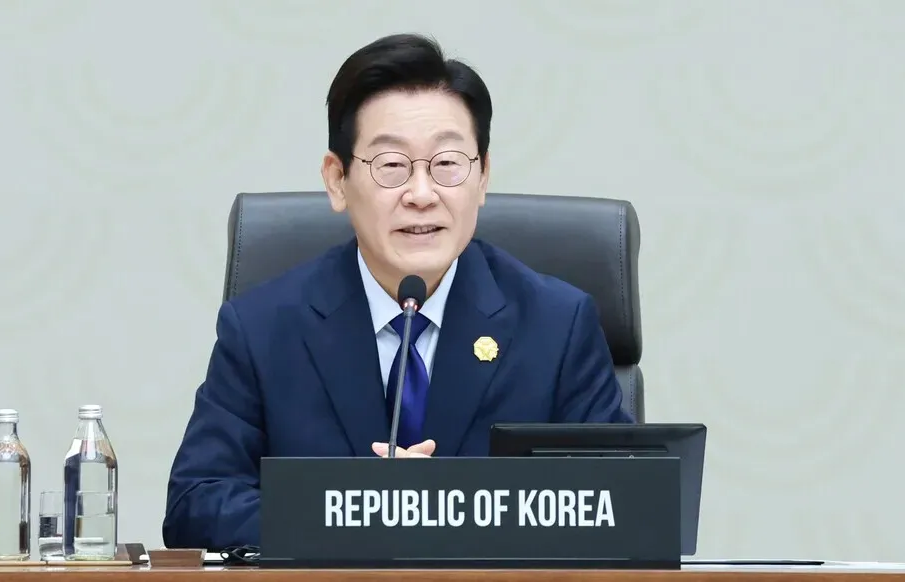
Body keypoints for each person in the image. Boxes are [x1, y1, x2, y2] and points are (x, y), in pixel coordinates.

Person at [162, 33, 633, 551]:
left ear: (482, 177)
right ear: (337, 181)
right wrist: (359, 511)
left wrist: (442, 511)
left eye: (448, 164)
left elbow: (617, 505)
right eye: (391, 167)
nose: (422, 194)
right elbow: (196, 504)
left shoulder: (556, 324)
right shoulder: (263, 328)